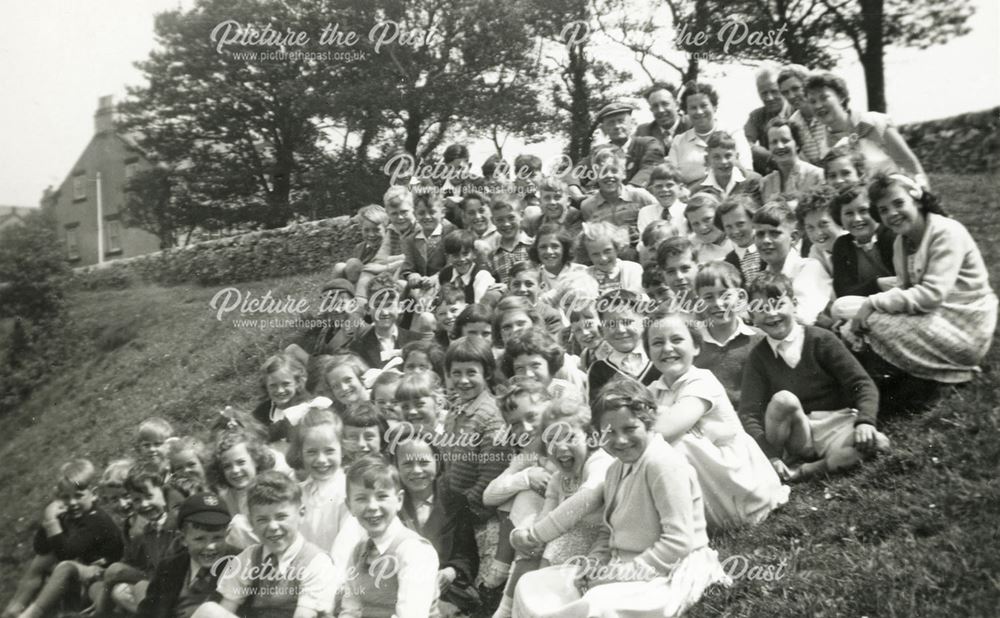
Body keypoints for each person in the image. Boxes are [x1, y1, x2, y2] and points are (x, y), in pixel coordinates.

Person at [510, 379, 730, 617]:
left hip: (666, 570)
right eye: (609, 432)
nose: (620, 440)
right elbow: (609, 532)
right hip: (619, 566)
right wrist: (594, 564)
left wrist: (618, 575)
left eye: (630, 429)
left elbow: (678, 543)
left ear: (649, 423)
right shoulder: (615, 469)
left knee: (597, 605)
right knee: (532, 584)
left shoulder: (663, 464)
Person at [841, 174, 998, 385]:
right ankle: (895, 377)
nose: (892, 214)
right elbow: (906, 290)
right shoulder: (901, 243)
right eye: (884, 210)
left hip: (966, 323)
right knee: (847, 316)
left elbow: (931, 295)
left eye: (898, 203)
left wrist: (872, 303)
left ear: (916, 200)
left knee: (872, 321)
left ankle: (955, 375)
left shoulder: (945, 232)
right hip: (935, 317)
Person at [740, 273, 890, 482]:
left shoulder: (821, 339)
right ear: (752, 316)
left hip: (836, 423)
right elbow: (749, 413)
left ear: (793, 304)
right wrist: (770, 455)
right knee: (784, 400)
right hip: (798, 434)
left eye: (778, 304)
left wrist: (865, 421)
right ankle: (786, 461)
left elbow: (861, 383)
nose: (772, 314)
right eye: (761, 308)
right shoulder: (758, 357)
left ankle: (804, 471)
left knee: (879, 443)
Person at [645, 312, 789, 529]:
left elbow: (665, 431)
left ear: (696, 347)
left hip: (739, 483)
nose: (667, 348)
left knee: (676, 444)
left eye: (677, 340)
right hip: (709, 480)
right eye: (657, 343)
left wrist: (637, 429)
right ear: (649, 352)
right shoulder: (654, 390)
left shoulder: (702, 381)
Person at [192, 472, 336, 618]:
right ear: (251, 523)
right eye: (262, 520)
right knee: (209, 610)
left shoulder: (316, 561)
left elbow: (304, 615)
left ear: (301, 514)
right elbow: (227, 608)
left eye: (281, 517)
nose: (273, 526)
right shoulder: (250, 558)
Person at [3, 459, 124, 618]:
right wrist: (49, 520)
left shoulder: (96, 519)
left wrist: (52, 522)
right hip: (85, 568)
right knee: (43, 560)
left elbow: (66, 553)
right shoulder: (73, 515)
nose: (72, 502)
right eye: (66, 497)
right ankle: (13, 609)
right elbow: (41, 547)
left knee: (64, 566)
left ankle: (29, 614)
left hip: (103, 572)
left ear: (93, 494)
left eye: (78, 496)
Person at [339, 456, 441, 618]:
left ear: (399, 500)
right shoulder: (359, 552)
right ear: (349, 505)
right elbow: (351, 609)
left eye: (382, 496)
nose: (372, 506)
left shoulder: (415, 551)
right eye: (361, 498)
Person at [394, 437, 481, 616]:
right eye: (407, 464)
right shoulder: (392, 506)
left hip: (446, 592)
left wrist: (451, 572)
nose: (417, 470)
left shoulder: (456, 502)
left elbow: (467, 555)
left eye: (424, 462)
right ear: (396, 467)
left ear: (438, 463)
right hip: (400, 589)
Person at [805, 72, 929, 189]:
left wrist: (926, 199)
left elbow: (910, 165)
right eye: (812, 101)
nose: (818, 105)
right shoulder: (825, 147)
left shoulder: (874, 122)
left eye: (824, 97)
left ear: (841, 97)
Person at [88, 460, 178, 615]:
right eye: (115, 499)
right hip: (153, 579)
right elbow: (130, 558)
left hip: (164, 582)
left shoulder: (147, 525)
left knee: (118, 576)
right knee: (108, 588)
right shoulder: (136, 525)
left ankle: (100, 613)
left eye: (125, 496)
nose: (123, 504)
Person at [442, 337, 512, 523]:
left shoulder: (492, 416)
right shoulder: (456, 408)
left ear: (487, 373)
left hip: (474, 515)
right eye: (456, 373)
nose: (463, 380)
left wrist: (463, 509)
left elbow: (491, 474)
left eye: (471, 372)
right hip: (452, 508)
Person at [135, 492, 235, 618]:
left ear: (228, 534)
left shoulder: (242, 563)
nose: (210, 546)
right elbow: (147, 613)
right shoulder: (168, 567)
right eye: (199, 539)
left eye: (217, 538)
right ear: (183, 539)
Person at [691, 261, 763, 407]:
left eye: (725, 295)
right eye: (708, 297)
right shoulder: (692, 343)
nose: (718, 303)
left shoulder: (759, 339)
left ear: (740, 297)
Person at [753, 201, 833, 325]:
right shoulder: (762, 279)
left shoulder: (808, 268)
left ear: (794, 238)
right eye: (760, 234)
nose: (766, 240)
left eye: (774, 233)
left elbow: (804, 317)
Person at [285, 408, 351, 553]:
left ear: (343, 450)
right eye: (312, 452)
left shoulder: (348, 492)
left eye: (329, 451)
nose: (321, 460)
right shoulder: (297, 493)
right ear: (300, 453)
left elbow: (345, 549)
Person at [566, 101, 666, 194]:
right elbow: (574, 174)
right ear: (604, 129)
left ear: (631, 123)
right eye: (611, 123)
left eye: (621, 121)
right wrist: (578, 196)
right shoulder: (600, 152)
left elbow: (649, 169)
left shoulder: (647, 144)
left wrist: (626, 191)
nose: (617, 126)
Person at [668, 80, 753, 185]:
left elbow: (747, 171)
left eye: (704, 106)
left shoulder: (733, 133)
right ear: (687, 112)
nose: (699, 112)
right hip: (693, 196)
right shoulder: (679, 141)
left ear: (714, 107)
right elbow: (671, 180)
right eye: (693, 108)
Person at [207, 428, 277, 550]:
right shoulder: (226, 498)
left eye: (241, 462)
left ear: (255, 460)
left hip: (271, 551)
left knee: (238, 524)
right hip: (241, 558)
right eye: (227, 466)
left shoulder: (271, 490)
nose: (235, 470)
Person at [587, 290, 661, 400]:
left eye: (627, 322)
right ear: (601, 331)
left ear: (645, 323)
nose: (620, 330)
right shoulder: (599, 370)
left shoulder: (659, 359)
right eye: (611, 324)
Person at [579, 149, 658, 249]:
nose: (609, 175)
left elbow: (659, 216)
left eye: (614, 170)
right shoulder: (588, 206)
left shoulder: (640, 197)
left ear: (623, 174)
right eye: (603, 171)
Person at [829, 183, 897, 299]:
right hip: (867, 302)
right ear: (839, 217)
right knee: (840, 307)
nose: (857, 219)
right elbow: (843, 291)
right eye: (849, 213)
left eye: (863, 211)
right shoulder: (842, 245)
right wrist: (877, 284)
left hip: (898, 296)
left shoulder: (891, 235)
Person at [252, 349, 332, 443]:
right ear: (265, 386)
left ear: (297, 382)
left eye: (286, 384)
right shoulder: (262, 412)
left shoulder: (309, 406)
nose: (280, 390)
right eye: (273, 385)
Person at [348, 288, 422, 370]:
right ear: (368, 309)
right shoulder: (357, 348)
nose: (384, 312)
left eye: (389, 305)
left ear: (400, 307)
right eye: (377, 306)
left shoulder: (417, 341)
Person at [760, 117, 824, 203]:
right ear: (768, 147)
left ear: (797, 143)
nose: (780, 146)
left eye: (785, 140)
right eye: (774, 142)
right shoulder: (766, 183)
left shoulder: (815, 175)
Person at [744, 66, 793, 175]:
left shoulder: (795, 111)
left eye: (774, 91)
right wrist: (769, 157)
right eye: (764, 93)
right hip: (771, 172)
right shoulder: (756, 116)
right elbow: (745, 142)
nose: (769, 98)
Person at [777, 64, 828, 164]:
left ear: (807, 85)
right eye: (785, 92)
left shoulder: (827, 113)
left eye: (795, 88)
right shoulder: (792, 123)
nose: (791, 96)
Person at [693, 131, 762, 200]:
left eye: (728, 156)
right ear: (707, 160)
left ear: (737, 157)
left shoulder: (752, 181)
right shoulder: (699, 190)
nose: (723, 161)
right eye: (716, 157)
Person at [581, 221, 644, 296]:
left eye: (607, 251)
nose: (603, 258)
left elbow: (637, 297)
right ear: (588, 255)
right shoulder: (584, 276)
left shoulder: (633, 269)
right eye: (595, 254)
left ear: (617, 247)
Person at [796, 184, 847, 276]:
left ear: (838, 219)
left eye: (823, 224)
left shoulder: (853, 245)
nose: (818, 233)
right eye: (810, 227)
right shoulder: (816, 251)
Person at [530, 224, 587, 305]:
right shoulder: (533, 278)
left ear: (565, 248)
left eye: (555, 246)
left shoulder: (581, 272)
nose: (549, 251)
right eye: (543, 247)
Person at [437, 229, 497, 303]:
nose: (461, 259)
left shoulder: (481, 275)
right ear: (448, 257)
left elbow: (480, 308)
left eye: (465, 254)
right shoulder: (445, 275)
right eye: (455, 255)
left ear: (474, 253)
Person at [718, 194, 764, 286]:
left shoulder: (768, 249)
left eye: (740, 224)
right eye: (728, 227)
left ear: (754, 221)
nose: (735, 231)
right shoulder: (728, 262)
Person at [634, 82, 692, 154]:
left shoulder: (692, 124)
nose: (660, 110)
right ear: (651, 110)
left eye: (665, 104)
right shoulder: (643, 132)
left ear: (677, 105)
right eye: (655, 106)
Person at [489, 197, 534, 284]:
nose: (506, 224)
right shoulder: (493, 256)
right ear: (493, 221)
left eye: (511, 218)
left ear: (521, 215)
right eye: (500, 220)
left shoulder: (533, 246)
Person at [685, 192, 734, 264]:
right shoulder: (693, 251)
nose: (702, 227)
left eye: (707, 219)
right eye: (695, 224)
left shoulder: (738, 239)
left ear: (719, 215)